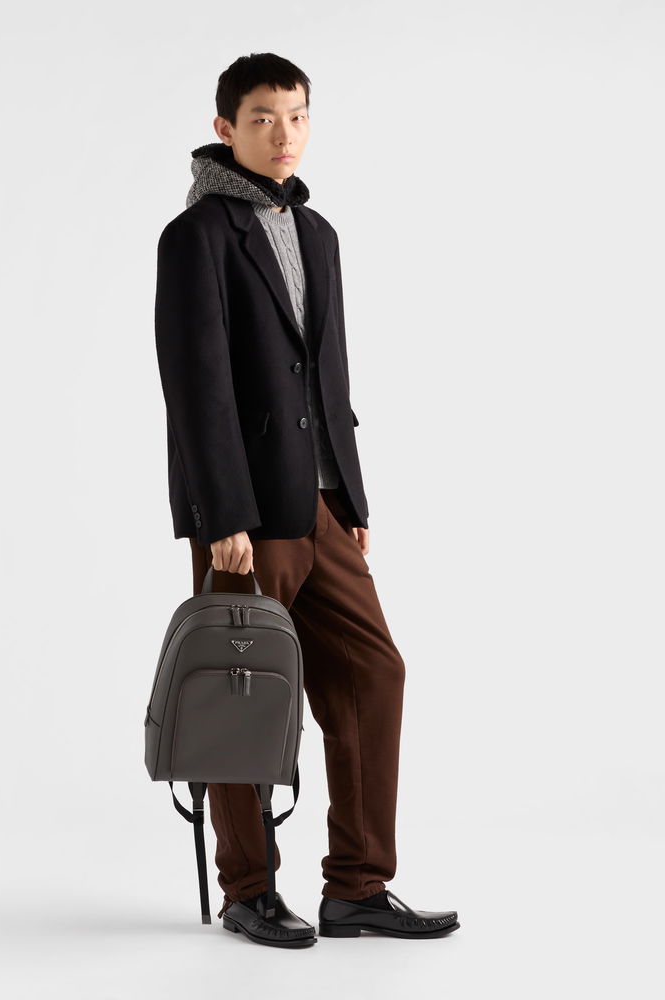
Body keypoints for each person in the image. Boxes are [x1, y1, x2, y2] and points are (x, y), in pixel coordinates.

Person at [154, 52, 459, 948]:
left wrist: (351, 494)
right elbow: (196, 386)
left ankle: (357, 886)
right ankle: (248, 889)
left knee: (372, 672)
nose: (283, 134)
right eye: (262, 118)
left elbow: (329, 377)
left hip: (321, 501)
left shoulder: (317, 232)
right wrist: (222, 515)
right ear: (225, 129)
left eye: (296, 116)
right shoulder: (197, 235)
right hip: (246, 513)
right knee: (241, 691)